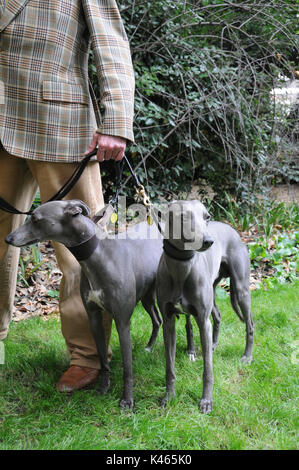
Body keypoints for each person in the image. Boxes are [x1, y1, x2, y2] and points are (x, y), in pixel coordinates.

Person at [0, 0, 135, 391]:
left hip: (61, 123)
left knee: (82, 248)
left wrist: (116, 121)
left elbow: (112, 44)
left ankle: (89, 356)